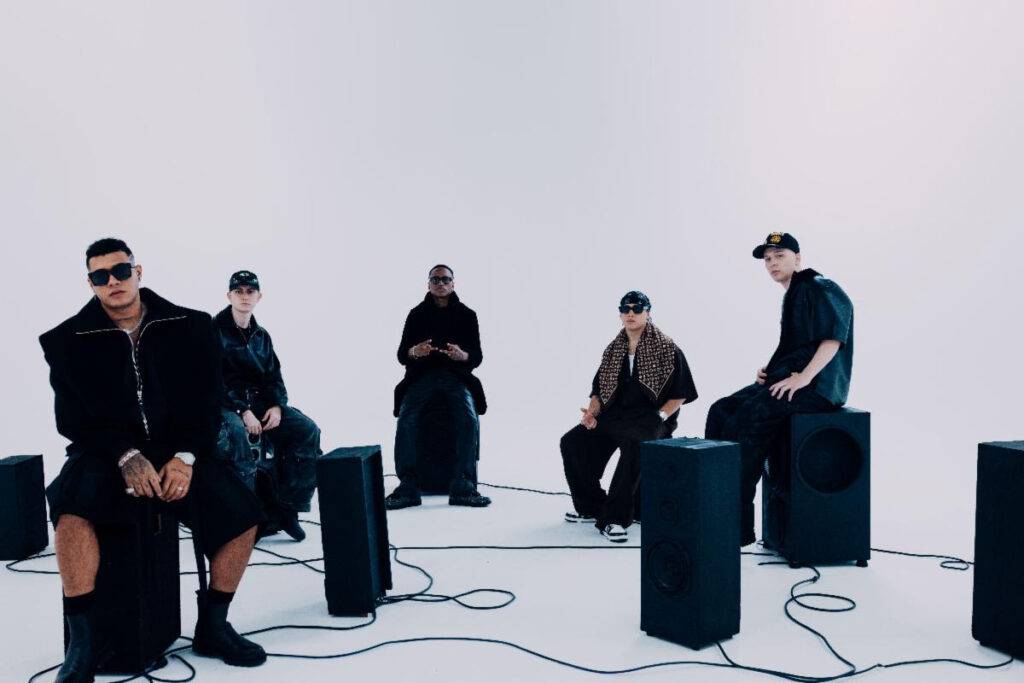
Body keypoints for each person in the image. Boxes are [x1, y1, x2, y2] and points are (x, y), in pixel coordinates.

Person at [41, 239, 267, 682]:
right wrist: (124, 454)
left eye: (121, 271)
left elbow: (208, 403)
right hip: (107, 450)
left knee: (244, 516)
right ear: (91, 283)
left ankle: (214, 625)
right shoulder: (67, 341)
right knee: (70, 513)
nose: (113, 281)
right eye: (100, 276)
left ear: (138, 272)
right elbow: (72, 421)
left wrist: (185, 457)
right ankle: (83, 644)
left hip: (177, 447)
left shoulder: (191, 326)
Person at [705, 232, 854, 547]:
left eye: (780, 255)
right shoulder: (794, 294)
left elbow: (833, 338)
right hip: (791, 380)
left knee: (747, 420)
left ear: (798, 258)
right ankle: (713, 504)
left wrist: (804, 378)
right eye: (768, 259)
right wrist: (771, 371)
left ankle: (735, 528)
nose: (772, 263)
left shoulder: (819, 286)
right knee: (720, 411)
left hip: (818, 389)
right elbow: (798, 347)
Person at [560, 291, 698, 543]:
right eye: (625, 309)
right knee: (572, 441)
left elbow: (680, 395)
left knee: (636, 444)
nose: (631, 313)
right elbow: (598, 390)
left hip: (651, 418)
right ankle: (591, 506)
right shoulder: (614, 349)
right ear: (620, 314)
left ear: (648, 312)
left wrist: (659, 417)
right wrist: (592, 413)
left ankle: (615, 517)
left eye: (637, 308)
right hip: (615, 416)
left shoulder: (668, 348)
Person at [214, 270, 322, 542]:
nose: (245, 296)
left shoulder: (262, 336)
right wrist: (243, 410)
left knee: (307, 430)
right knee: (238, 436)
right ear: (229, 296)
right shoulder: (213, 332)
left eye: (250, 291)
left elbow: (274, 376)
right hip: (227, 404)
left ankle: (288, 509)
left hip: (261, 402)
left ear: (259, 296)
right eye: (239, 291)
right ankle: (248, 520)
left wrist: (276, 406)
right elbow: (215, 381)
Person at [386, 264, 491, 510]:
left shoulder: (467, 315)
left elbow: (476, 357)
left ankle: (463, 486)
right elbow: (402, 355)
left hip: (456, 377)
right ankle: (408, 487)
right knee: (407, 419)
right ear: (429, 284)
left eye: (445, 279)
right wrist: (415, 351)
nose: (440, 283)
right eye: (435, 279)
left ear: (453, 284)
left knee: (468, 419)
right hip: (421, 378)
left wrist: (462, 355)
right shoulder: (416, 314)